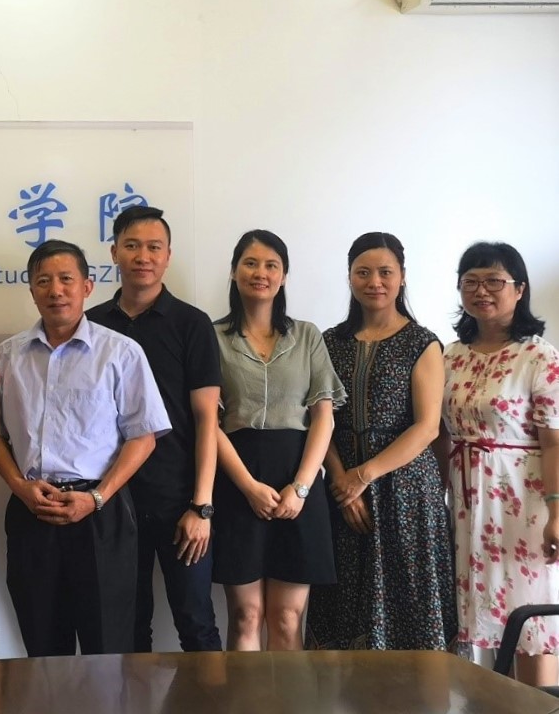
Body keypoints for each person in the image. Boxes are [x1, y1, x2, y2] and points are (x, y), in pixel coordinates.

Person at [0, 239, 170, 657]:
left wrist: (97, 497)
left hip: (101, 513)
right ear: (31, 290)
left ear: (87, 286)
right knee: (42, 648)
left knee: (107, 648)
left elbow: (144, 436)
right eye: (44, 281)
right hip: (32, 510)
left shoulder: (121, 352)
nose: (56, 290)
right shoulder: (7, 356)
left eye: (66, 279)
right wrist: (19, 487)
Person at [305, 232, 456, 651]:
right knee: (341, 608)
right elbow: (319, 419)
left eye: (385, 272)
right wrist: (342, 483)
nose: (375, 282)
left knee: (409, 612)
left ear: (402, 276)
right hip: (340, 491)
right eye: (363, 272)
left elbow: (427, 427)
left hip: (406, 492)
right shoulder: (328, 342)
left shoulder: (422, 342)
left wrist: (363, 477)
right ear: (349, 277)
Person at [86, 206, 222, 652]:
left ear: (167, 256)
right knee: (127, 629)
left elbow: (207, 419)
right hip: (114, 500)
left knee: (197, 625)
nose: (142, 256)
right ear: (114, 253)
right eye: (131, 246)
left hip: (179, 501)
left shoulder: (191, 324)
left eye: (153, 247)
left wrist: (201, 507)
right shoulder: (92, 325)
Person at [212, 229, 345, 651]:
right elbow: (208, 422)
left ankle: (287, 692)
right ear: (234, 271)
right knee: (245, 616)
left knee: (287, 619)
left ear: (284, 276)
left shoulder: (307, 336)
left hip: (298, 479)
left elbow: (323, 415)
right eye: (250, 263)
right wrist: (248, 487)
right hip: (238, 480)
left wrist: (302, 487)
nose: (261, 273)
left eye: (272, 265)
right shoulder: (212, 336)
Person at [441, 241, 559, 686]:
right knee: (478, 620)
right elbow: (440, 435)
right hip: (466, 502)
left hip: (521, 504)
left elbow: (554, 442)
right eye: (470, 281)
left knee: (530, 625)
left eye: (494, 281)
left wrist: (557, 513)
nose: (482, 291)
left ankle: (539, 708)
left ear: (520, 288)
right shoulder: (451, 355)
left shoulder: (539, 356)